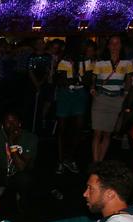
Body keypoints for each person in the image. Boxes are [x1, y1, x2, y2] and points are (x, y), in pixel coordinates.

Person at [90, 36, 133, 162]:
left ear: (121, 45)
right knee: (97, 133)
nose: (114, 46)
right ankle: (95, 162)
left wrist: (125, 93)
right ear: (108, 46)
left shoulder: (127, 63)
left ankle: (100, 161)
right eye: (112, 43)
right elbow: (94, 78)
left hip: (116, 100)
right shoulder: (100, 62)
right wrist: (92, 90)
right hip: (101, 98)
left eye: (117, 43)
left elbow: (129, 79)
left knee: (108, 133)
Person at [0, 113, 38, 209]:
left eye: (14, 121)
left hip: (19, 174)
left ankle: (22, 202)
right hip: (2, 171)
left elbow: (21, 167)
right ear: (3, 125)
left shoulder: (30, 138)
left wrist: (11, 142)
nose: (12, 125)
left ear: (19, 123)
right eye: (8, 122)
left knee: (24, 179)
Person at [54, 41, 89, 174]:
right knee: (62, 128)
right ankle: (61, 159)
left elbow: (88, 79)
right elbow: (60, 81)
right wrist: (76, 79)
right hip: (65, 94)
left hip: (79, 94)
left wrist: (77, 80)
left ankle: (70, 158)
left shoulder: (85, 61)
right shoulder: (63, 61)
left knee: (78, 127)